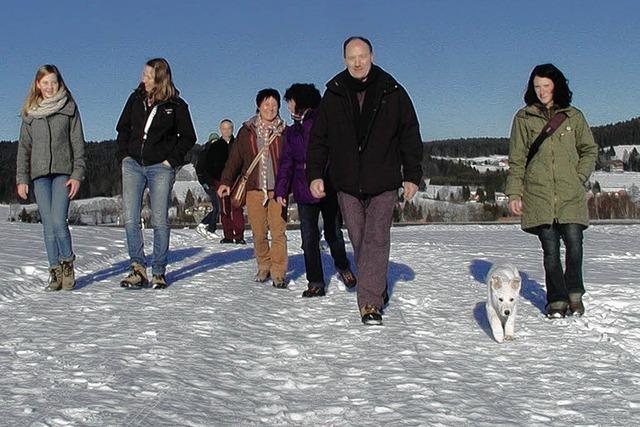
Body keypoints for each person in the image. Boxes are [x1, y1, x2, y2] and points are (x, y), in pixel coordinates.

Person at [307, 37, 423, 325]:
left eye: (362, 56)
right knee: (359, 238)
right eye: (351, 57)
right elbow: (319, 139)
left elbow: (410, 134)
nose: (357, 62)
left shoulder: (392, 91)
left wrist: (411, 175)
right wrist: (315, 174)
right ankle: (376, 284)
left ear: (372, 55)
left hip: (383, 178)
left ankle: (369, 301)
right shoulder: (334, 93)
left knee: (377, 237)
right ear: (344, 60)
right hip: (346, 181)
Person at [506, 63, 597, 318]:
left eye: (546, 85)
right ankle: (556, 300)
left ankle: (575, 294)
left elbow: (589, 149)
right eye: (537, 86)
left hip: (570, 193)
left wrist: (579, 177)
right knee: (550, 251)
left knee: (575, 244)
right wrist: (515, 193)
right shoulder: (523, 118)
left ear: (556, 86)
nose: (542, 91)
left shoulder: (573, 116)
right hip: (538, 194)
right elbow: (517, 158)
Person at [116, 58, 196, 289]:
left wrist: (171, 161)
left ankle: (159, 271)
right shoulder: (135, 99)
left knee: (159, 220)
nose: (143, 79)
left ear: (160, 78)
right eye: (143, 74)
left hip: (160, 168)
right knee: (131, 218)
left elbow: (188, 137)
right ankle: (137, 268)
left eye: (148, 76)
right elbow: (122, 128)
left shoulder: (176, 106)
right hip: (132, 165)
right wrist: (124, 155)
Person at [275, 83, 356, 297]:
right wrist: (281, 191)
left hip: (327, 185)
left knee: (333, 233)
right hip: (303, 190)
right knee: (308, 238)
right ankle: (316, 281)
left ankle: (343, 266)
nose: (289, 108)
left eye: (290, 102)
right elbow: (286, 163)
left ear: (300, 102)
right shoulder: (291, 132)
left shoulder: (323, 122)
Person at [16, 64, 86, 291]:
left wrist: (77, 174)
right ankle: (54, 271)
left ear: (60, 83)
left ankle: (67, 263)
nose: (49, 87)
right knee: (47, 225)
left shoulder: (69, 108)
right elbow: (24, 148)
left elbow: (78, 143)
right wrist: (22, 178)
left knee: (58, 222)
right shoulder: (30, 113)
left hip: (63, 173)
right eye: (45, 83)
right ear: (38, 84)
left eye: (53, 82)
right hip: (39, 175)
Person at [218, 89, 287, 288]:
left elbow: (291, 161)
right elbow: (235, 159)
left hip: (278, 191)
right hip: (254, 190)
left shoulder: (285, 132)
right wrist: (225, 181)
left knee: (278, 232)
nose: (270, 108)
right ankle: (264, 265)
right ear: (258, 106)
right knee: (258, 232)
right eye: (266, 104)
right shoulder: (247, 131)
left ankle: (278, 271)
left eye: (274, 104)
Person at [195, 131, 221, 239]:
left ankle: (209, 227)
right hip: (208, 184)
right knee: (217, 206)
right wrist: (203, 182)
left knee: (218, 207)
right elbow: (199, 169)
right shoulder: (204, 153)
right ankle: (206, 225)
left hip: (217, 183)